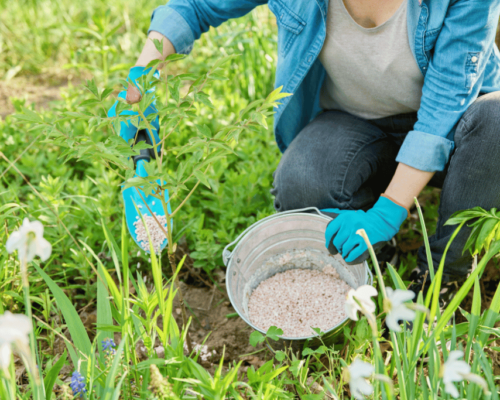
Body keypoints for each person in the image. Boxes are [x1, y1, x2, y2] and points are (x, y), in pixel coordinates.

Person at [122, 0, 500, 301]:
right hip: (359, 121)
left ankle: (443, 278)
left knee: (497, 120)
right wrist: (143, 76)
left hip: (459, 132)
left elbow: (442, 111)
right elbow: (194, 7)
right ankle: (377, 257)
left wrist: (388, 210)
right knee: (303, 182)